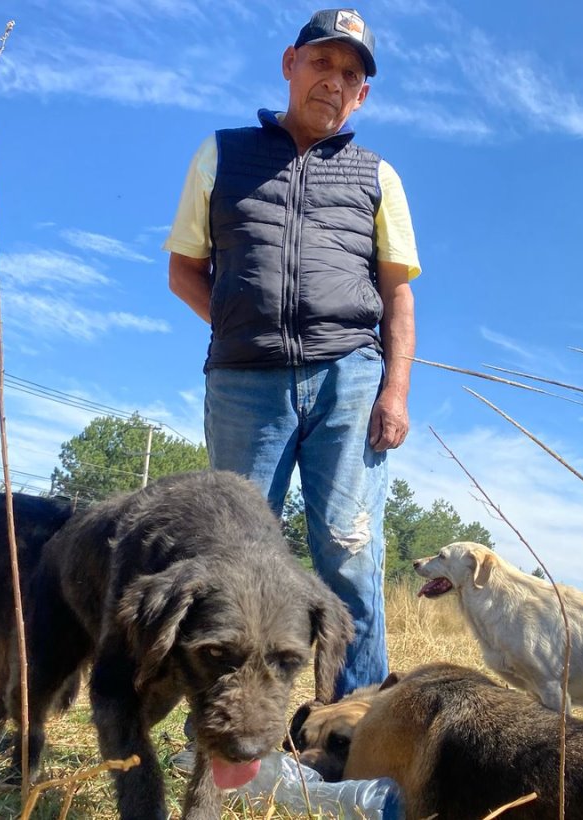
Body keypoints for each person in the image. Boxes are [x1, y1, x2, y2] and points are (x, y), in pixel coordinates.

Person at [163, 7, 419, 719]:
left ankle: (353, 729)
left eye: (352, 75)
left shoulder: (378, 176)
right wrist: (246, 328)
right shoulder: (221, 154)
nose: (334, 83)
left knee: (349, 553)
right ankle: (222, 727)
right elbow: (185, 269)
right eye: (322, 64)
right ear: (289, 63)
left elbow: (397, 294)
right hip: (244, 387)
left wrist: (394, 391)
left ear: (362, 96)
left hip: (348, 379)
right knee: (233, 561)